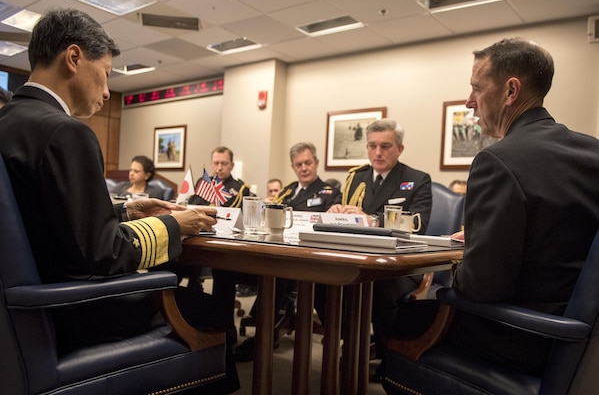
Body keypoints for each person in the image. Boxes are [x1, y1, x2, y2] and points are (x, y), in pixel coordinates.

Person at [0, 8, 239, 393]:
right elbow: (103, 254)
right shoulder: (64, 132)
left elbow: (37, 215)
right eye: (106, 73)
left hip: (25, 308)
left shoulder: (11, 122)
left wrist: (125, 208)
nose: (108, 91)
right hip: (70, 309)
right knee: (209, 307)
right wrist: (175, 224)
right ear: (74, 58)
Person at [392, 38, 599, 376]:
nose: (469, 101)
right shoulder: (593, 151)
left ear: (510, 91)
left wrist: (472, 250)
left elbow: (482, 286)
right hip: (577, 343)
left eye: (476, 87)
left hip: (518, 336)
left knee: (407, 312)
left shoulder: (497, 160)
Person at [326, 118, 432, 381]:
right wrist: (337, 212)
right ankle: (350, 343)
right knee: (322, 281)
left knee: (381, 287)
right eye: (372, 146)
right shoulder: (357, 177)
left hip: (399, 266)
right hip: (359, 260)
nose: (377, 152)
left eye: (385, 146)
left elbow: (417, 223)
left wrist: (372, 219)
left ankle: (390, 360)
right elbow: (349, 218)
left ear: (400, 149)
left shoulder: (416, 180)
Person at [223, 142, 342, 361]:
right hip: (278, 253)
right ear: (293, 167)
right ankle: (223, 334)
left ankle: (262, 339)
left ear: (316, 163)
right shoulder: (287, 191)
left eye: (308, 163)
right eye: (299, 164)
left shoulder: (330, 194)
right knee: (225, 268)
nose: (304, 168)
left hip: (310, 263)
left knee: (274, 275)